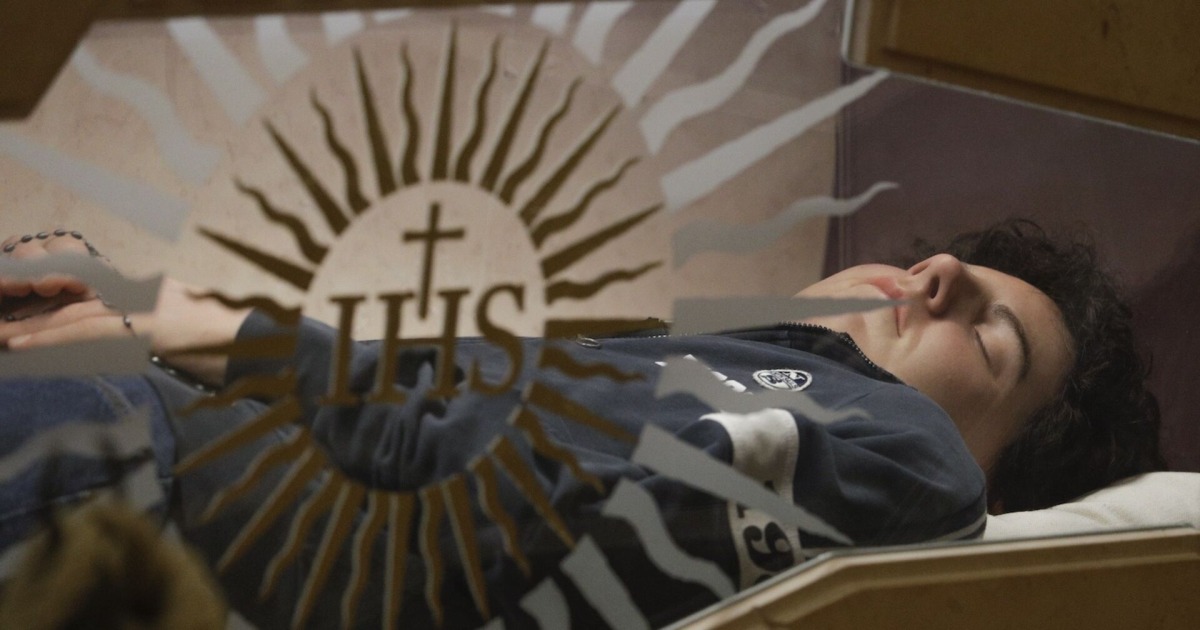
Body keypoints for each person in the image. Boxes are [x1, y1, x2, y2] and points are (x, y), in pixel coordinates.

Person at [0, 220, 1163, 628]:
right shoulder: (691, 365)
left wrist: (186, 337)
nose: (935, 273)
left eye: (992, 341)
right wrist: (139, 311)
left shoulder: (915, 459)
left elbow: (506, 500)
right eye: (932, 265)